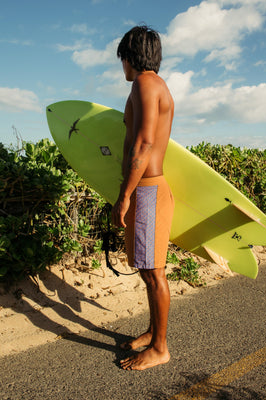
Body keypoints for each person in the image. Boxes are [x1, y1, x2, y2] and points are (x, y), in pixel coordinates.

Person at [111, 25, 175, 371]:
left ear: (129, 56)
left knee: (153, 273)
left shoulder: (145, 84)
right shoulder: (155, 86)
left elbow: (144, 144)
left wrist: (124, 196)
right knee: (148, 270)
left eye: (122, 58)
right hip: (148, 189)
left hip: (148, 190)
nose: (122, 66)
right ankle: (153, 332)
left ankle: (160, 348)